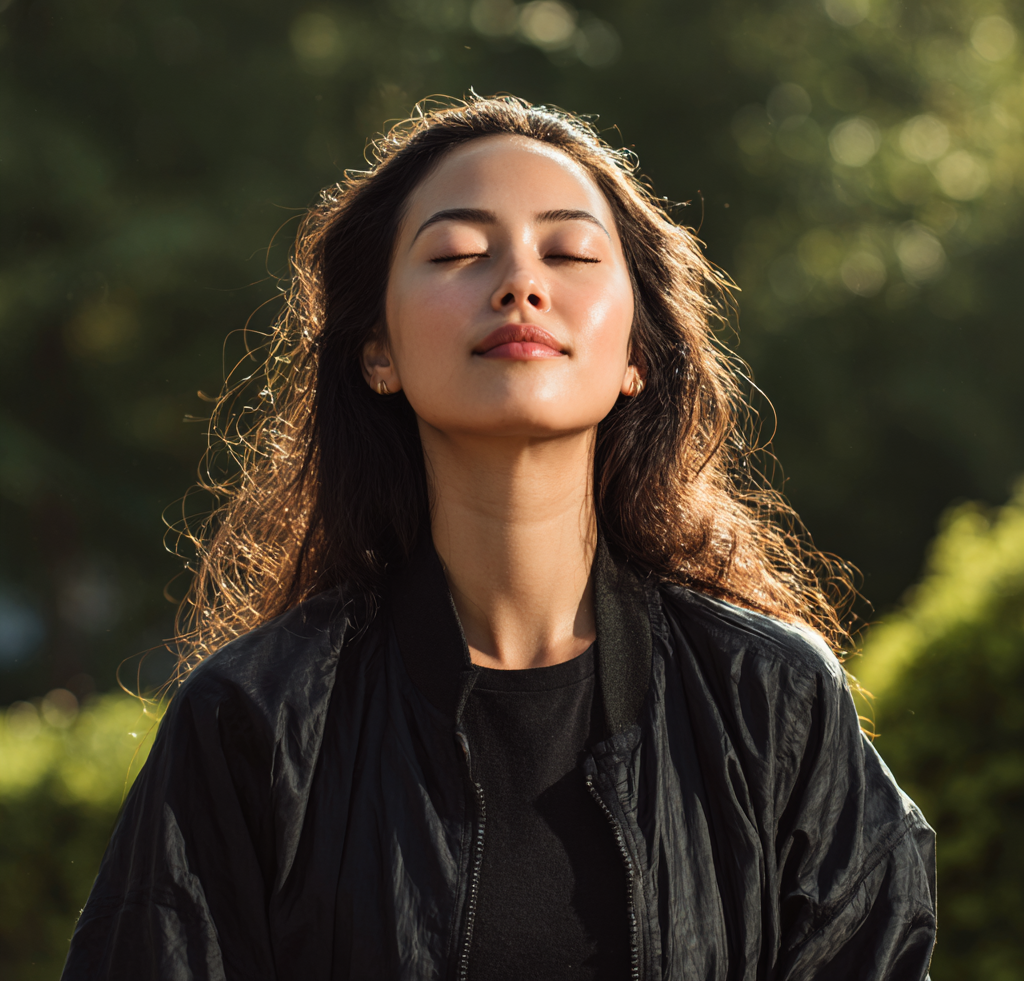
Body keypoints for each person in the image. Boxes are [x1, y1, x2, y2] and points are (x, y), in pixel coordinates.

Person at [62, 96, 936, 981]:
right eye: (456, 253)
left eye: (571, 253)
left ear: (638, 353)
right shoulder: (255, 718)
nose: (521, 284)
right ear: (378, 352)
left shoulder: (775, 703)